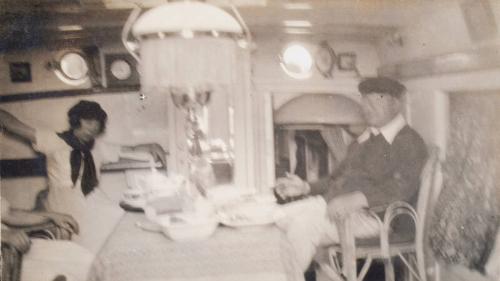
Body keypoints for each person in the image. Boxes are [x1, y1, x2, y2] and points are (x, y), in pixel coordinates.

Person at [274, 77, 428, 274]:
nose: (367, 106)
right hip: (338, 207)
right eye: (365, 100)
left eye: (376, 100)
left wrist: (358, 198)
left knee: (302, 227)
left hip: (375, 218)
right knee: (278, 217)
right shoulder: (367, 137)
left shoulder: (409, 141)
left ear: (395, 103)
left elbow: (402, 187)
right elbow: (335, 177)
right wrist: (305, 187)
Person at [0, 100, 167, 253]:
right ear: (75, 120)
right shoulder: (53, 140)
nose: (91, 129)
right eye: (87, 122)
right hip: (64, 199)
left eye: (96, 125)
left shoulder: (97, 147)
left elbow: (129, 150)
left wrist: (152, 145)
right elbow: (15, 126)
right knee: (85, 240)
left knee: (118, 220)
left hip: (91, 196)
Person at [2, 197, 91, 281]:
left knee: (80, 258)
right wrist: (3, 235)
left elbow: (8, 214)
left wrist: (52, 216)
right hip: (6, 262)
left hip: (17, 249)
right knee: (51, 273)